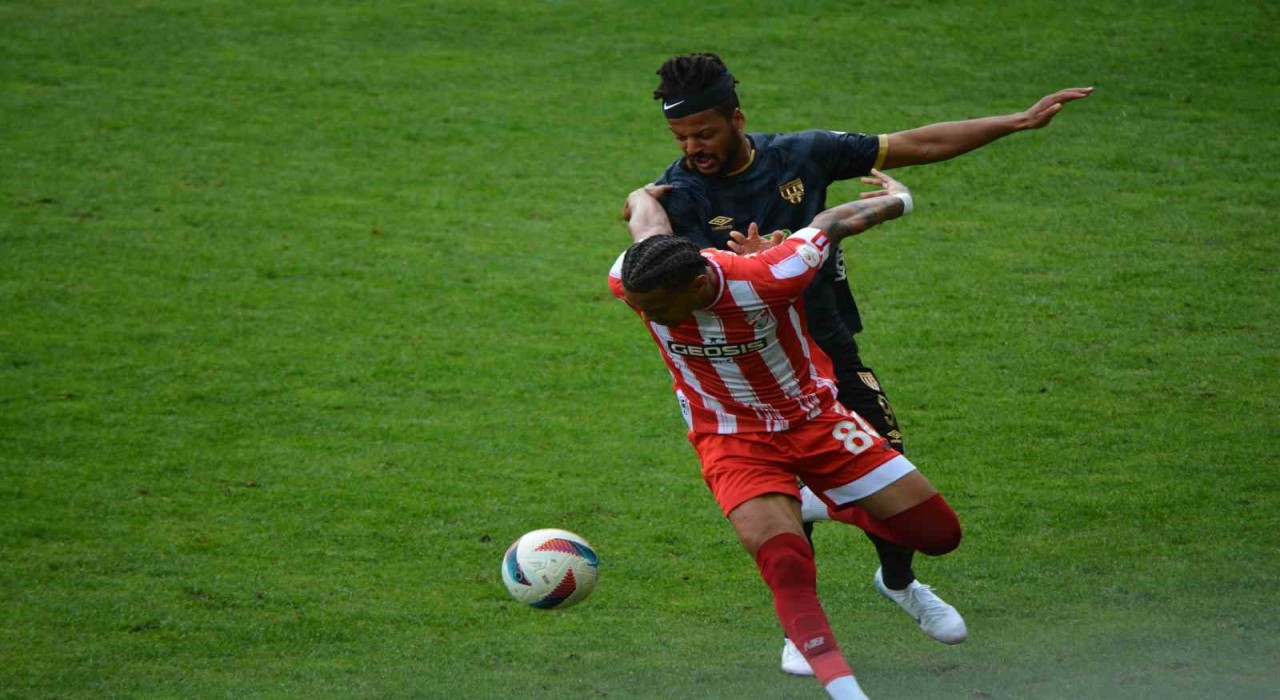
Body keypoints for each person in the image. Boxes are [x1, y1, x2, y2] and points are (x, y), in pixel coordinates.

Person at [646, 52, 1093, 674]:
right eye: (681, 137)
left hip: (832, 346)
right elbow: (683, 287)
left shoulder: (802, 154)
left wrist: (1016, 121)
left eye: (704, 133)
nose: (693, 148)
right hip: (758, 372)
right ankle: (803, 626)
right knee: (779, 500)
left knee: (891, 473)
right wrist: (746, 264)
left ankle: (899, 583)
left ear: (737, 119)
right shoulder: (682, 193)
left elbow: (917, 144)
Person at [611, 169, 958, 700]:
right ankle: (847, 692)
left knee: (939, 536)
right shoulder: (635, 280)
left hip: (815, 420)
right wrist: (640, 196)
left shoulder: (770, 273)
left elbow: (832, 221)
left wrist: (901, 199)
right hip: (729, 437)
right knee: (785, 563)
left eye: (656, 309)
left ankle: (821, 505)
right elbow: (648, 230)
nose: (645, 316)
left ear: (697, 285)